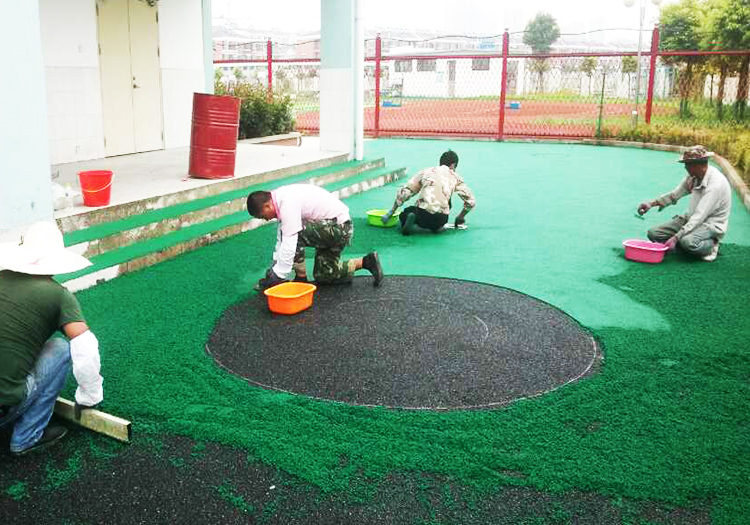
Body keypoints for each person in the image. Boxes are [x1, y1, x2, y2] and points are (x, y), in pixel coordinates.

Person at [0, 221, 104, 455]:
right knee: (59, 348)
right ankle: (26, 437)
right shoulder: (59, 295)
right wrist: (89, 396)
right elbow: (85, 349)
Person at [246, 184, 383, 290]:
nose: (266, 219)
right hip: (332, 228)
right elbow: (280, 239)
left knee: (295, 233)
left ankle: (301, 279)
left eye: (263, 216)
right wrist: (275, 265)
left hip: (339, 228)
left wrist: (278, 276)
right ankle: (367, 262)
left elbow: (289, 241)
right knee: (324, 276)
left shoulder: (287, 201)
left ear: (268, 205)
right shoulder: (279, 199)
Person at [636, 145, 732, 262]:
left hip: (710, 225)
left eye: (687, 164)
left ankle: (712, 244)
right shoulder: (693, 176)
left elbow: (699, 217)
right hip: (690, 218)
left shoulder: (715, 185)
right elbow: (675, 195)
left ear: (699, 165)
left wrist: (676, 238)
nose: (685, 167)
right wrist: (651, 203)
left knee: (687, 243)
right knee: (654, 233)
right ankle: (684, 243)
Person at [381, 150, 476, 235]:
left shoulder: (427, 171)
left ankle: (412, 219)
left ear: (441, 162)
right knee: (445, 205)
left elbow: (406, 192)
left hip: (422, 214)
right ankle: (437, 227)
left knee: (406, 213)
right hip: (441, 218)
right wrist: (461, 216)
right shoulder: (455, 177)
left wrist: (391, 212)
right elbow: (471, 201)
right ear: (453, 165)